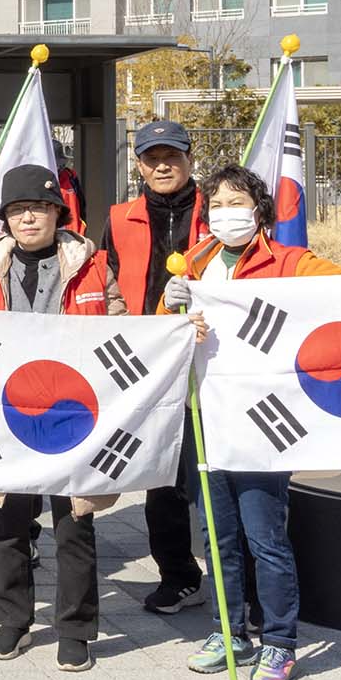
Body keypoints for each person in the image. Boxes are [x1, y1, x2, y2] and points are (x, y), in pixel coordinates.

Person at [163, 165, 341, 680]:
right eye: (216, 203)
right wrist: (174, 309)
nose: (226, 213)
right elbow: (164, 330)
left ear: (260, 210)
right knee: (218, 539)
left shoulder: (288, 261)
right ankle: (228, 630)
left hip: (265, 422)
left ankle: (280, 642)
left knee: (265, 537)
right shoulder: (195, 261)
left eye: (237, 201)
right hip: (209, 418)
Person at [0, 163, 122, 673]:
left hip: (74, 414)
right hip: (10, 415)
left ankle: (76, 629)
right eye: (18, 211)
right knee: (8, 522)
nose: (28, 219)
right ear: (5, 219)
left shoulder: (93, 265)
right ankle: (12, 620)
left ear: (57, 213)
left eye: (38, 208)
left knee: (74, 524)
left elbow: (122, 326)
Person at [102, 119, 209, 615]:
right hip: (146, 361)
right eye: (152, 157)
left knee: (212, 470)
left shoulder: (220, 212)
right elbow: (102, 281)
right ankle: (178, 575)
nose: (162, 165)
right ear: (139, 164)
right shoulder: (120, 217)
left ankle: (233, 575)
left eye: (172, 155)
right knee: (162, 474)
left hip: (212, 356)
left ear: (190, 159)